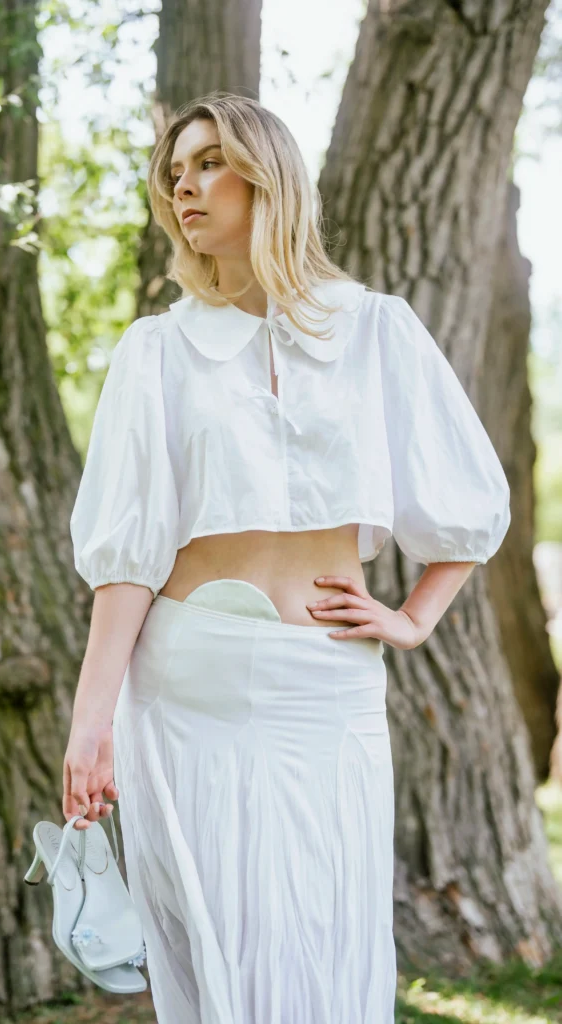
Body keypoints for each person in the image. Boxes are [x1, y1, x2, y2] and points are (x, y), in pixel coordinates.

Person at [62, 92, 511, 1023]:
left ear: (267, 177)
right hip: (185, 688)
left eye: (209, 164)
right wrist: (90, 722)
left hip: (326, 685)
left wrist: (413, 619)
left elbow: (466, 504)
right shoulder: (157, 350)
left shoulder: (376, 329)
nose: (184, 187)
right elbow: (128, 556)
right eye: (174, 173)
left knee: (324, 928)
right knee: (219, 942)